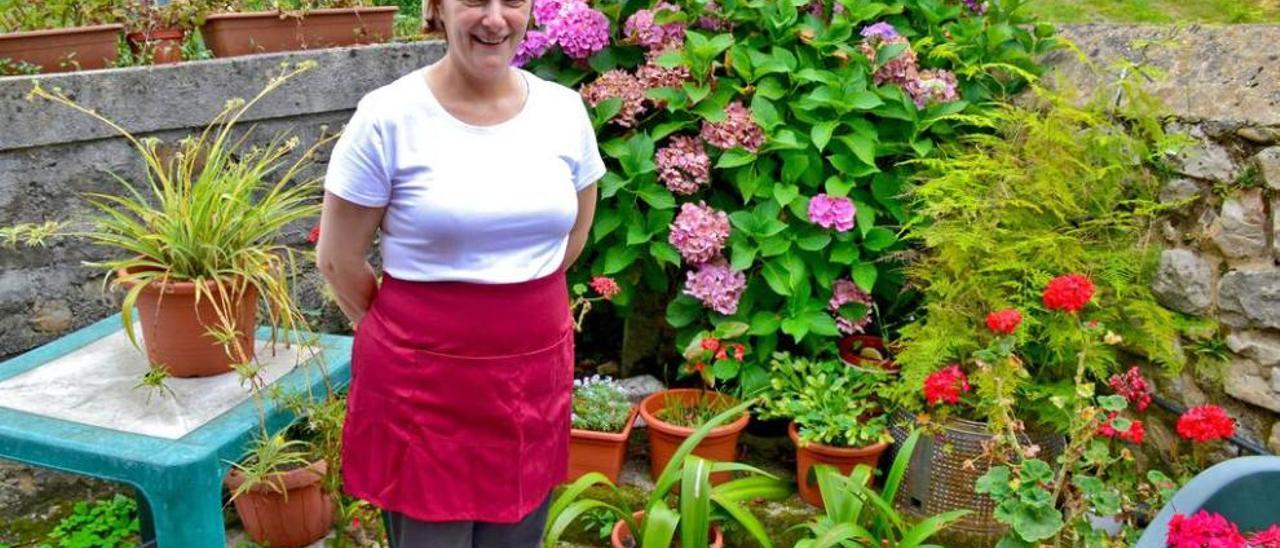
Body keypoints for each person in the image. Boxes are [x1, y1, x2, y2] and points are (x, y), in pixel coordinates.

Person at [315, 0, 604, 543]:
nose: (494, 19)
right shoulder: (387, 116)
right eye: (473, 1)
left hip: (531, 381)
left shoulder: (564, 111)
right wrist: (417, 334)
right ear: (436, 9)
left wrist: (511, 308)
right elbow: (338, 259)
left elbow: (574, 236)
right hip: (423, 389)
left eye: (512, 2)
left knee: (518, 536)